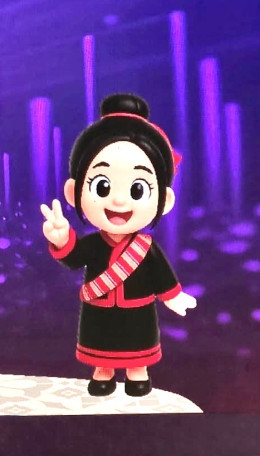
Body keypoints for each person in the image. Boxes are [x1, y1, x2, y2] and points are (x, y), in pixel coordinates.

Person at [40, 93, 196, 397]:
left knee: (138, 346)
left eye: (138, 189)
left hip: (138, 312)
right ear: (74, 193)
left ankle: (138, 372)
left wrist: (173, 296)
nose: (120, 201)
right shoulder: (94, 244)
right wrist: (62, 240)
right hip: (99, 311)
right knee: (101, 345)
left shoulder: (146, 248)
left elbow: (161, 275)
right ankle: (103, 371)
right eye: (102, 186)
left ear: (165, 200)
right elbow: (73, 257)